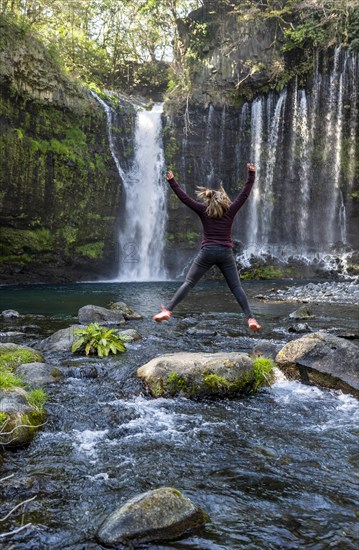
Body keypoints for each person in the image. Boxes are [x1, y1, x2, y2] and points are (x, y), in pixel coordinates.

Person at [153, 163, 261, 331]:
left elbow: (185, 199)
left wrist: (172, 181)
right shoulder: (230, 211)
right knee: (236, 287)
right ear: (224, 200)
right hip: (225, 253)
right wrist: (251, 174)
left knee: (189, 282)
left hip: (208, 252)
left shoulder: (204, 210)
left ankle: (167, 310)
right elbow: (244, 194)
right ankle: (251, 319)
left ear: (209, 200)